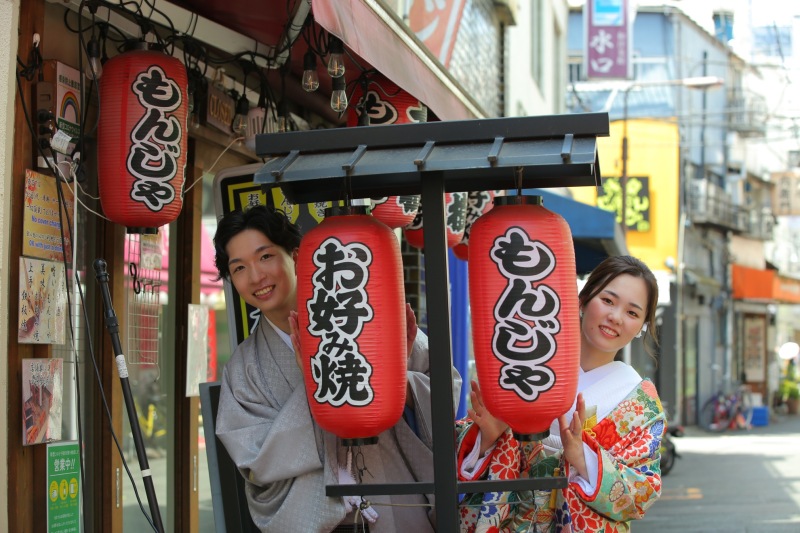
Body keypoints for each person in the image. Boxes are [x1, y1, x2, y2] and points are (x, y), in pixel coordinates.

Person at [212, 204, 461, 532]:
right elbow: (256, 462)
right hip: (322, 516)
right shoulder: (244, 369)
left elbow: (445, 392)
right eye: (240, 267)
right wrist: (313, 387)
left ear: (297, 256)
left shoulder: (365, 316)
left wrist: (393, 375)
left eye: (266, 256)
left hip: (395, 497)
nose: (257, 276)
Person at [456, 255, 666, 533]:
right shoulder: (526, 363)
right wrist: (490, 436)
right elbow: (459, 443)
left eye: (632, 313)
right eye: (608, 301)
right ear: (582, 299)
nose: (615, 317)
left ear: (641, 327)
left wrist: (582, 458)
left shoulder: (640, 402)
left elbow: (644, 490)